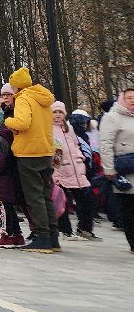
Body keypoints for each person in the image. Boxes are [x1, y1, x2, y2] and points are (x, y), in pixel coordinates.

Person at [3, 67, 60, 252]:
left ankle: (42, 237)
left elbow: (22, 123)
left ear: (16, 87)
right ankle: (53, 237)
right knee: (45, 195)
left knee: (34, 196)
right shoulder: (43, 98)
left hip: (29, 152)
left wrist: (7, 121)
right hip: (45, 149)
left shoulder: (23, 98)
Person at [51, 101, 99, 240]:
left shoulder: (69, 128)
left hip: (76, 170)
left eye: (60, 112)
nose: (58, 115)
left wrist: (79, 158)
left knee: (87, 199)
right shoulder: (48, 129)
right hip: (59, 170)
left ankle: (84, 228)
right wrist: (55, 166)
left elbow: (75, 145)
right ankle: (65, 230)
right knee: (61, 201)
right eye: (55, 112)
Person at [0, 110, 25, 247]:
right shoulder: (5, 134)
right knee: (9, 207)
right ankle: (17, 234)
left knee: (2, 207)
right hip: (8, 175)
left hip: (0, 177)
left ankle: (6, 235)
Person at [101, 87, 134, 253]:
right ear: (122, 99)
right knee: (129, 207)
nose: (132, 100)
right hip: (124, 167)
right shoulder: (112, 117)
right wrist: (109, 168)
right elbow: (105, 144)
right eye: (129, 97)